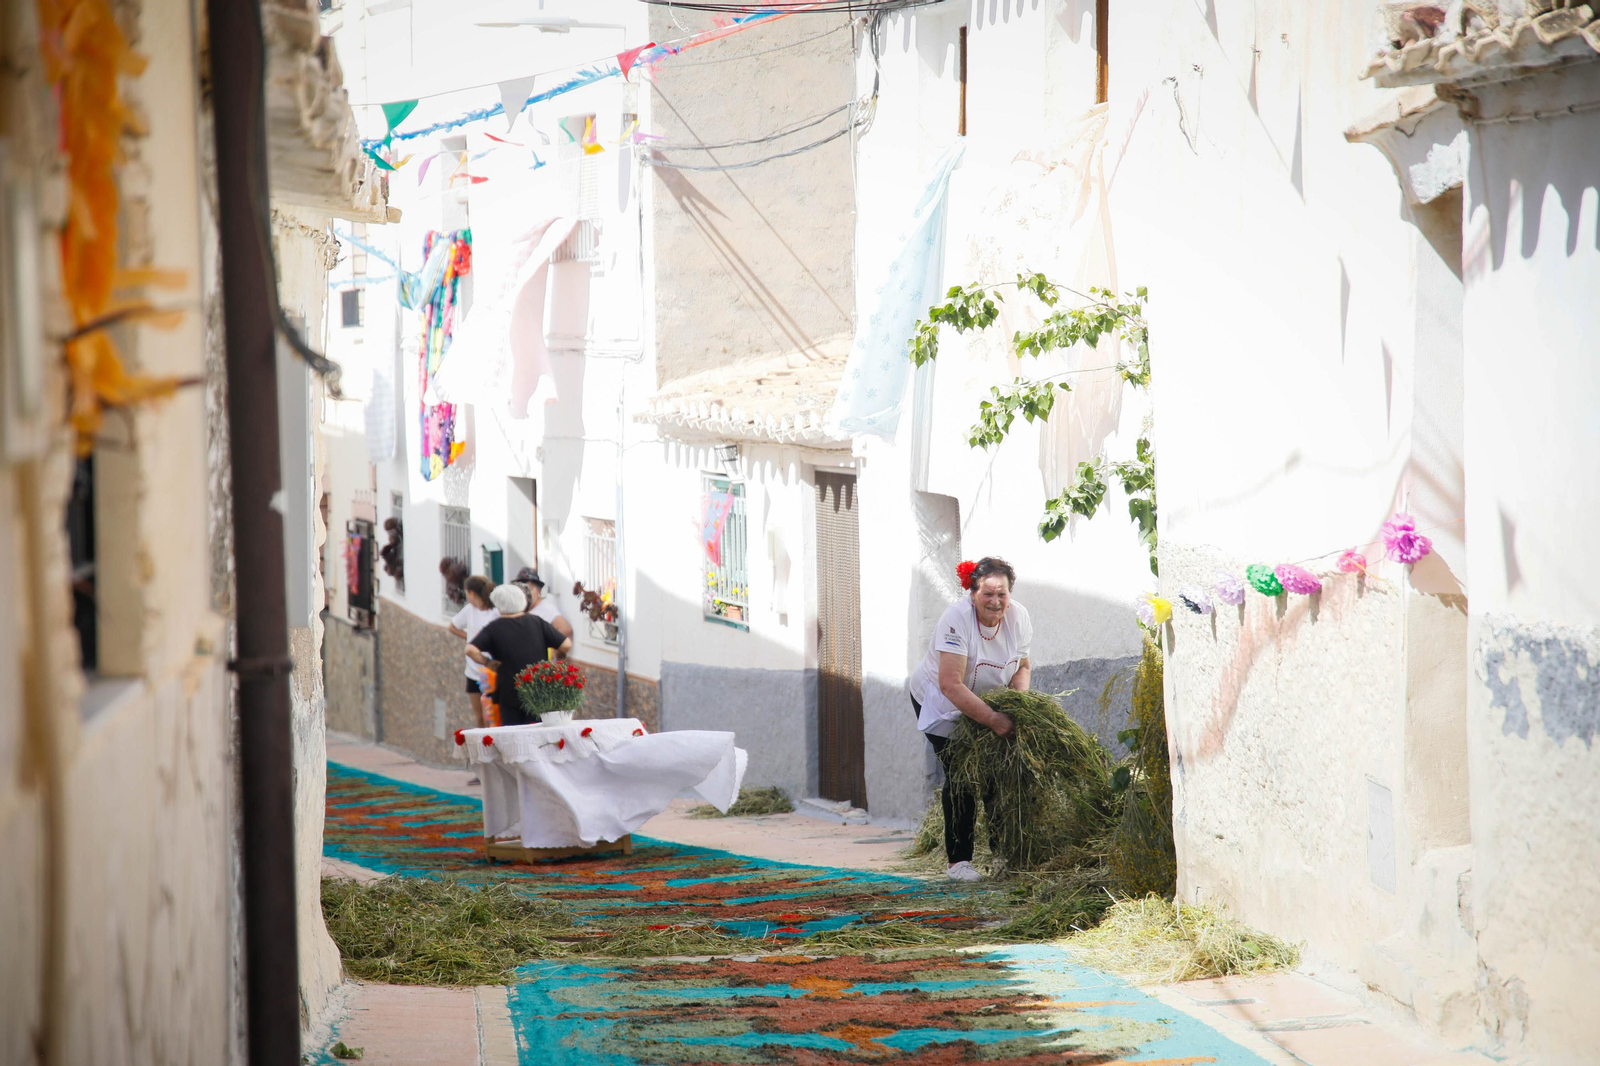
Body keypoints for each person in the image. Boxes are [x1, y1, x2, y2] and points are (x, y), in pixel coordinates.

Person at [907, 556, 1032, 882]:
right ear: (973, 592)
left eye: (1002, 594)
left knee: (998, 774)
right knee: (962, 774)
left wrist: (1016, 703)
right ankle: (958, 862)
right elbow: (950, 684)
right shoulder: (956, 620)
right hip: (941, 702)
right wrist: (993, 720)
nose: (995, 601)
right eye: (987, 594)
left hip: (987, 702)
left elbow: (1022, 667)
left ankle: (1004, 856)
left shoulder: (1018, 618)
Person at [467, 584, 573, 726]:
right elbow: (566, 644)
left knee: (512, 734)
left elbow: (470, 650)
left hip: (508, 691)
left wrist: (488, 662)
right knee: (537, 732)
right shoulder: (536, 621)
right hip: (537, 690)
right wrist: (556, 657)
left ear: (499, 605)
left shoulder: (494, 627)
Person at [446, 575, 499, 729]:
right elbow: (452, 626)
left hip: (489, 671)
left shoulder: (495, 612)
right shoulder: (469, 610)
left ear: (472, 593)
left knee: (489, 717)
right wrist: (470, 639)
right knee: (479, 718)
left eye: (466, 592)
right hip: (472, 671)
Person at [514, 566, 574, 640]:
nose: (526, 592)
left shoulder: (546, 608)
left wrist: (550, 645)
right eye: (522, 588)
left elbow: (566, 629)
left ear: (538, 590)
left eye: (530, 588)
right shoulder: (516, 607)